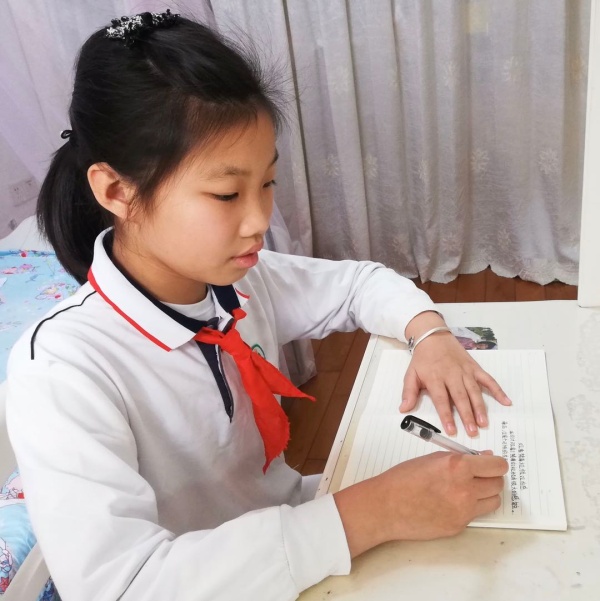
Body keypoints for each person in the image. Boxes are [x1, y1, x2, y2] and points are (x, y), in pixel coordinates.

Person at [6, 11, 509, 601]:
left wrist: (430, 335)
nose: (258, 221)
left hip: (299, 543)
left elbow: (358, 285)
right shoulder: (62, 367)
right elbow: (122, 588)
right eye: (226, 194)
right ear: (117, 191)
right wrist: (370, 514)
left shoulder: (237, 282)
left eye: (267, 183)